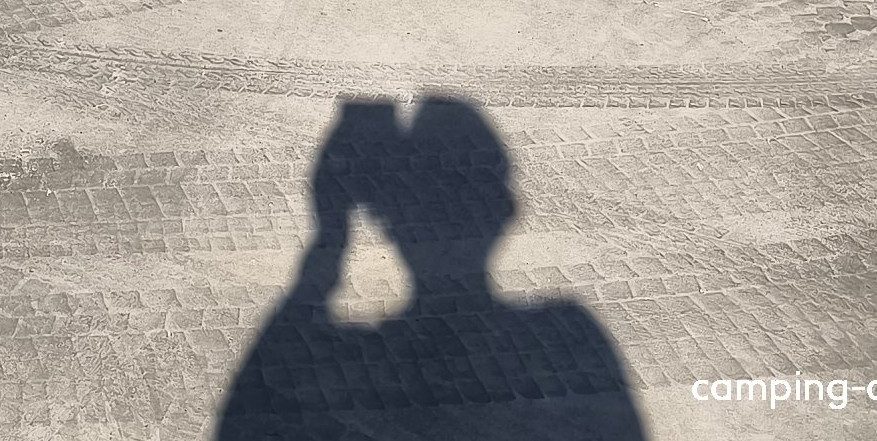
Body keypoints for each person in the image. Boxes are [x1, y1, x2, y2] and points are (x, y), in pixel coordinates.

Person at [218, 97, 646, 439]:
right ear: (504, 211)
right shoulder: (571, 331)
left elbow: (256, 393)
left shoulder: (344, 365)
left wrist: (332, 237)